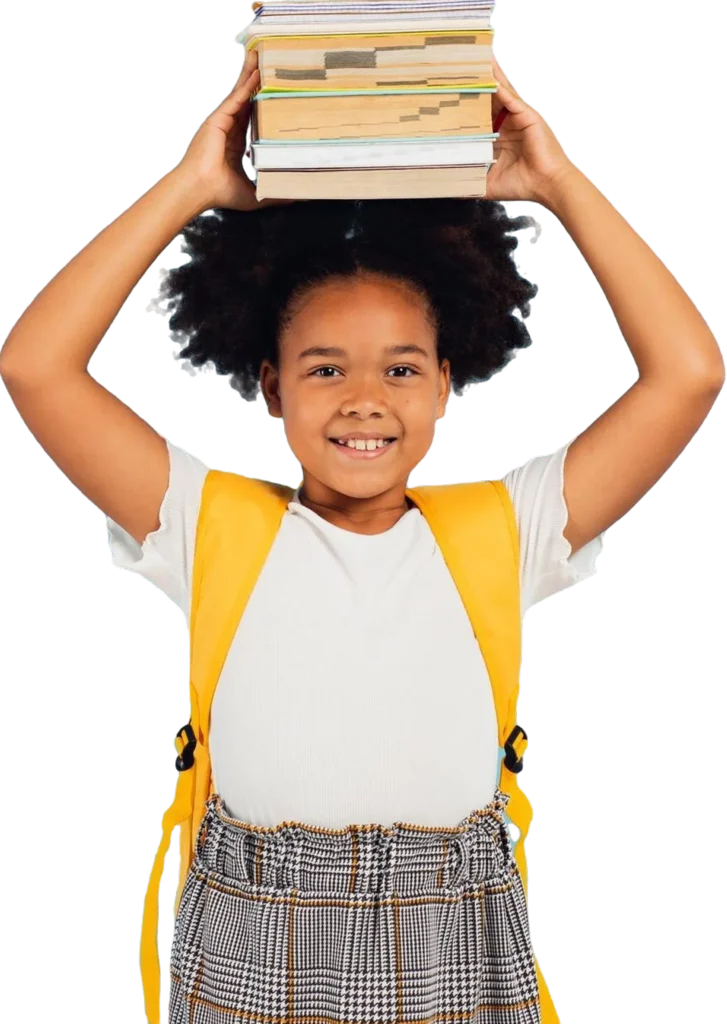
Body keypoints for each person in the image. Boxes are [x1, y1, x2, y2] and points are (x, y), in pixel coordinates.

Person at [1, 46, 722, 1024]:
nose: (364, 402)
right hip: (248, 931)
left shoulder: (502, 526)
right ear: (272, 388)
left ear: (444, 386)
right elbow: (37, 367)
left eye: (400, 369)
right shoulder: (210, 520)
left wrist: (555, 183)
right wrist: (190, 185)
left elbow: (687, 374)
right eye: (325, 369)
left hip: (458, 934)